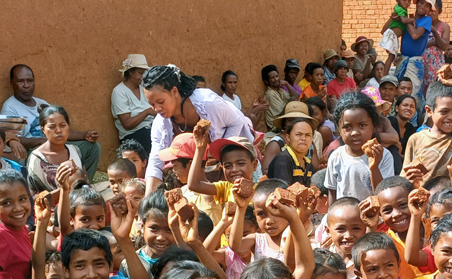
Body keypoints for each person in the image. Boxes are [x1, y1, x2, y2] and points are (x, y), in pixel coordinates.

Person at [142, 64, 255, 193]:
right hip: (202, 173)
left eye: (160, 102)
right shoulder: (160, 123)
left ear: (174, 92)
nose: (157, 109)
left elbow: (236, 122)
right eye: (152, 105)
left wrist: (222, 156)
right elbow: (156, 162)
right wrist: (148, 201)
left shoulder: (208, 103)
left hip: (234, 165)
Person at [3, 64, 100, 177]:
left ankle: (82, 185)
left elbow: (60, 128)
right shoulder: (10, 107)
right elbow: (13, 140)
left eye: (30, 81)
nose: (26, 85)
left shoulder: (41, 103)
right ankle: (57, 188)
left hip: (56, 144)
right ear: (12, 83)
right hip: (33, 151)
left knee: (92, 147)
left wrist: (84, 135)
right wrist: (41, 141)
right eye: (20, 81)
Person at [323, 91, 394, 200]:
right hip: (345, 216)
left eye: (362, 125)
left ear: (373, 126)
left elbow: (384, 197)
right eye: (347, 127)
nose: (355, 132)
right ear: (339, 129)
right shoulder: (336, 157)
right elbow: (332, 193)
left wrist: (374, 168)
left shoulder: (384, 156)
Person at [26, 104, 93, 194]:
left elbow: (85, 182)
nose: (58, 130)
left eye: (62, 125)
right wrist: (64, 188)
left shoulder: (75, 150)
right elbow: (34, 199)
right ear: (43, 130)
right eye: (52, 127)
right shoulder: (37, 158)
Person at [111, 54, 155, 156]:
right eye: (140, 73)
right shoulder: (119, 91)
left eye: (144, 73)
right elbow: (127, 124)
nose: (143, 77)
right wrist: (148, 111)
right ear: (130, 72)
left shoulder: (143, 87)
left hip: (149, 129)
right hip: (133, 134)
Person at [393, 0, 435, 96]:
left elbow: (415, 35)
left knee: (413, 93)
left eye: (426, 5)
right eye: (420, 3)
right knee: (399, 92)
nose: (422, 6)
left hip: (414, 63)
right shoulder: (409, 18)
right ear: (416, 4)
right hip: (403, 59)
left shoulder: (427, 20)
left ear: (429, 10)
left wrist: (405, 21)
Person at [266, 103, 317, 186]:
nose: (303, 138)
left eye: (308, 135)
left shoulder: (307, 163)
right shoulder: (283, 159)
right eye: (298, 134)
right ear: (288, 137)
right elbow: (284, 194)